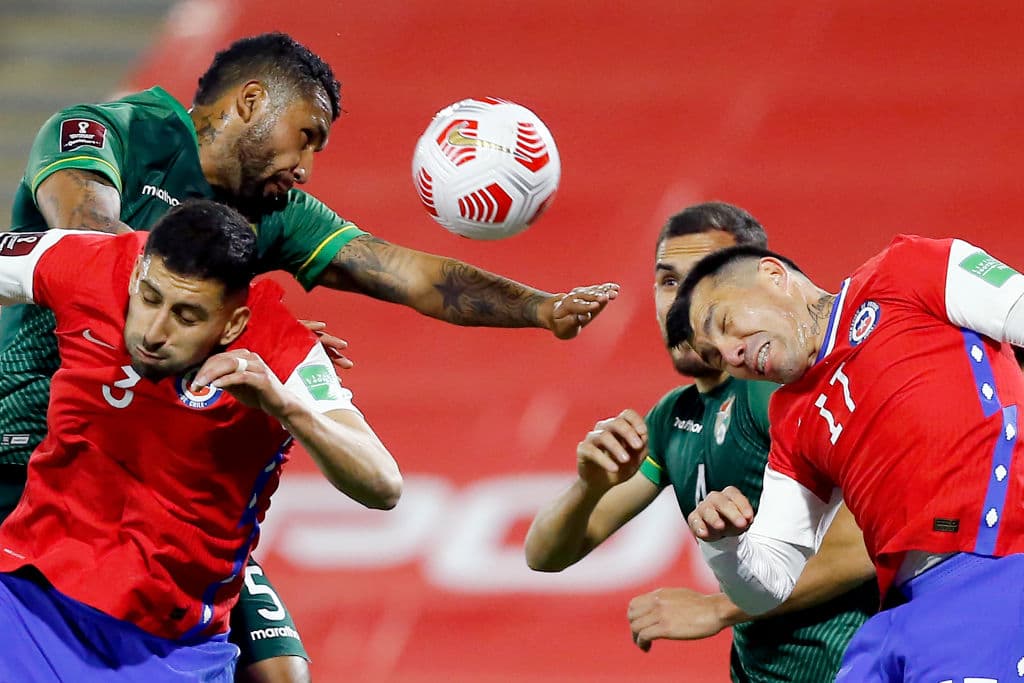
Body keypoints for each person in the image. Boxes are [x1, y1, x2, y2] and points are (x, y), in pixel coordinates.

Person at [2, 32, 617, 682]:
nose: (307, 165)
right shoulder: (115, 131)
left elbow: (404, 272)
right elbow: (94, 238)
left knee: (280, 667)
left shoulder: (273, 212)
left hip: (158, 473)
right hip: (34, 452)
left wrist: (539, 309)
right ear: (251, 100)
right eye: (307, 134)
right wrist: (234, 325)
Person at [0, 199, 401, 681]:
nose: (154, 331)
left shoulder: (281, 352)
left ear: (232, 324)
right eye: (148, 298)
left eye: (187, 317)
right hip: (26, 601)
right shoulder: (91, 265)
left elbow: (383, 484)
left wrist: (284, 406)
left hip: (168, 649)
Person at [524, 202, 876, 682]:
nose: (681, 303)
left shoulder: (772, 393)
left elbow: (870, 539)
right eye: (669, 282)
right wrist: (588, 486)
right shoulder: (675, 417)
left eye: (704, 280)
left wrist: (719, 609)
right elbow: (545, 554)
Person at [666, 231, 1024, 681]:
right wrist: (725, 546)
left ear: (773, 276)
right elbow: (767, 586)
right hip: (900, 616)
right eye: (715, 357)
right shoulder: (791, 415)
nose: (731, 355)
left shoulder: (907, 270)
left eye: (724, 324)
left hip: (996, 570)